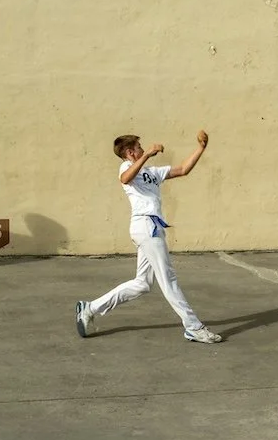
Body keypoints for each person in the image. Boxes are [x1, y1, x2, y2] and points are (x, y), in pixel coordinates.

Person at [75, 130, 222, 344]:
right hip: (145, 225)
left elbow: (182, 169)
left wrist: (201, 148)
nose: (143, 150)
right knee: (168, 279)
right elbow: (125, 179)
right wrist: (147, 155)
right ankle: (193, 327)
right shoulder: (126, 167)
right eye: (139, 147)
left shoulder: (152, 172)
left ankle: (90, 308)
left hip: (151, 227)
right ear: (130, 152)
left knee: (142, 283)